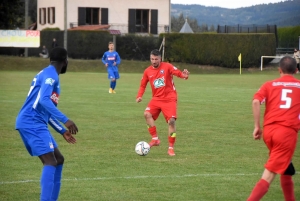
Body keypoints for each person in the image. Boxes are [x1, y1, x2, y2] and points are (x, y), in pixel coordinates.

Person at [15, 47, 78, 201]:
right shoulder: (51, 75)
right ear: (65, 61)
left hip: (35, 121)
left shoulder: (47, 73)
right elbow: (43, 101)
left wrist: (62, 131)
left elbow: (45, 111)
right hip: (31, 121)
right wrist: (66, 120)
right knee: (50, 161)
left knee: (59, 159)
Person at [247, 56, 299, 201]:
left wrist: (257, 126)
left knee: (287, 169)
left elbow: (256, 101)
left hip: (269, 133)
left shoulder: (269, 85)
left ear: (279, 70)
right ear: (296, 70)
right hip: (286, 134)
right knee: (268, 175)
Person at [136, 49, 190, 156]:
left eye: (156, 59)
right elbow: (143, 85)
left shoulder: (167, 66)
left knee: (171, 121)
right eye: (152, 59)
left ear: (160, 58)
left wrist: (184, 75)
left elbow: (178, 73)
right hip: (156, 99)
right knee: (147, 114)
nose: (154, 61)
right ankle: (155, 139)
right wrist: (139, 96)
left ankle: (170, 148)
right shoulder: (147, 71)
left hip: (169, 98)